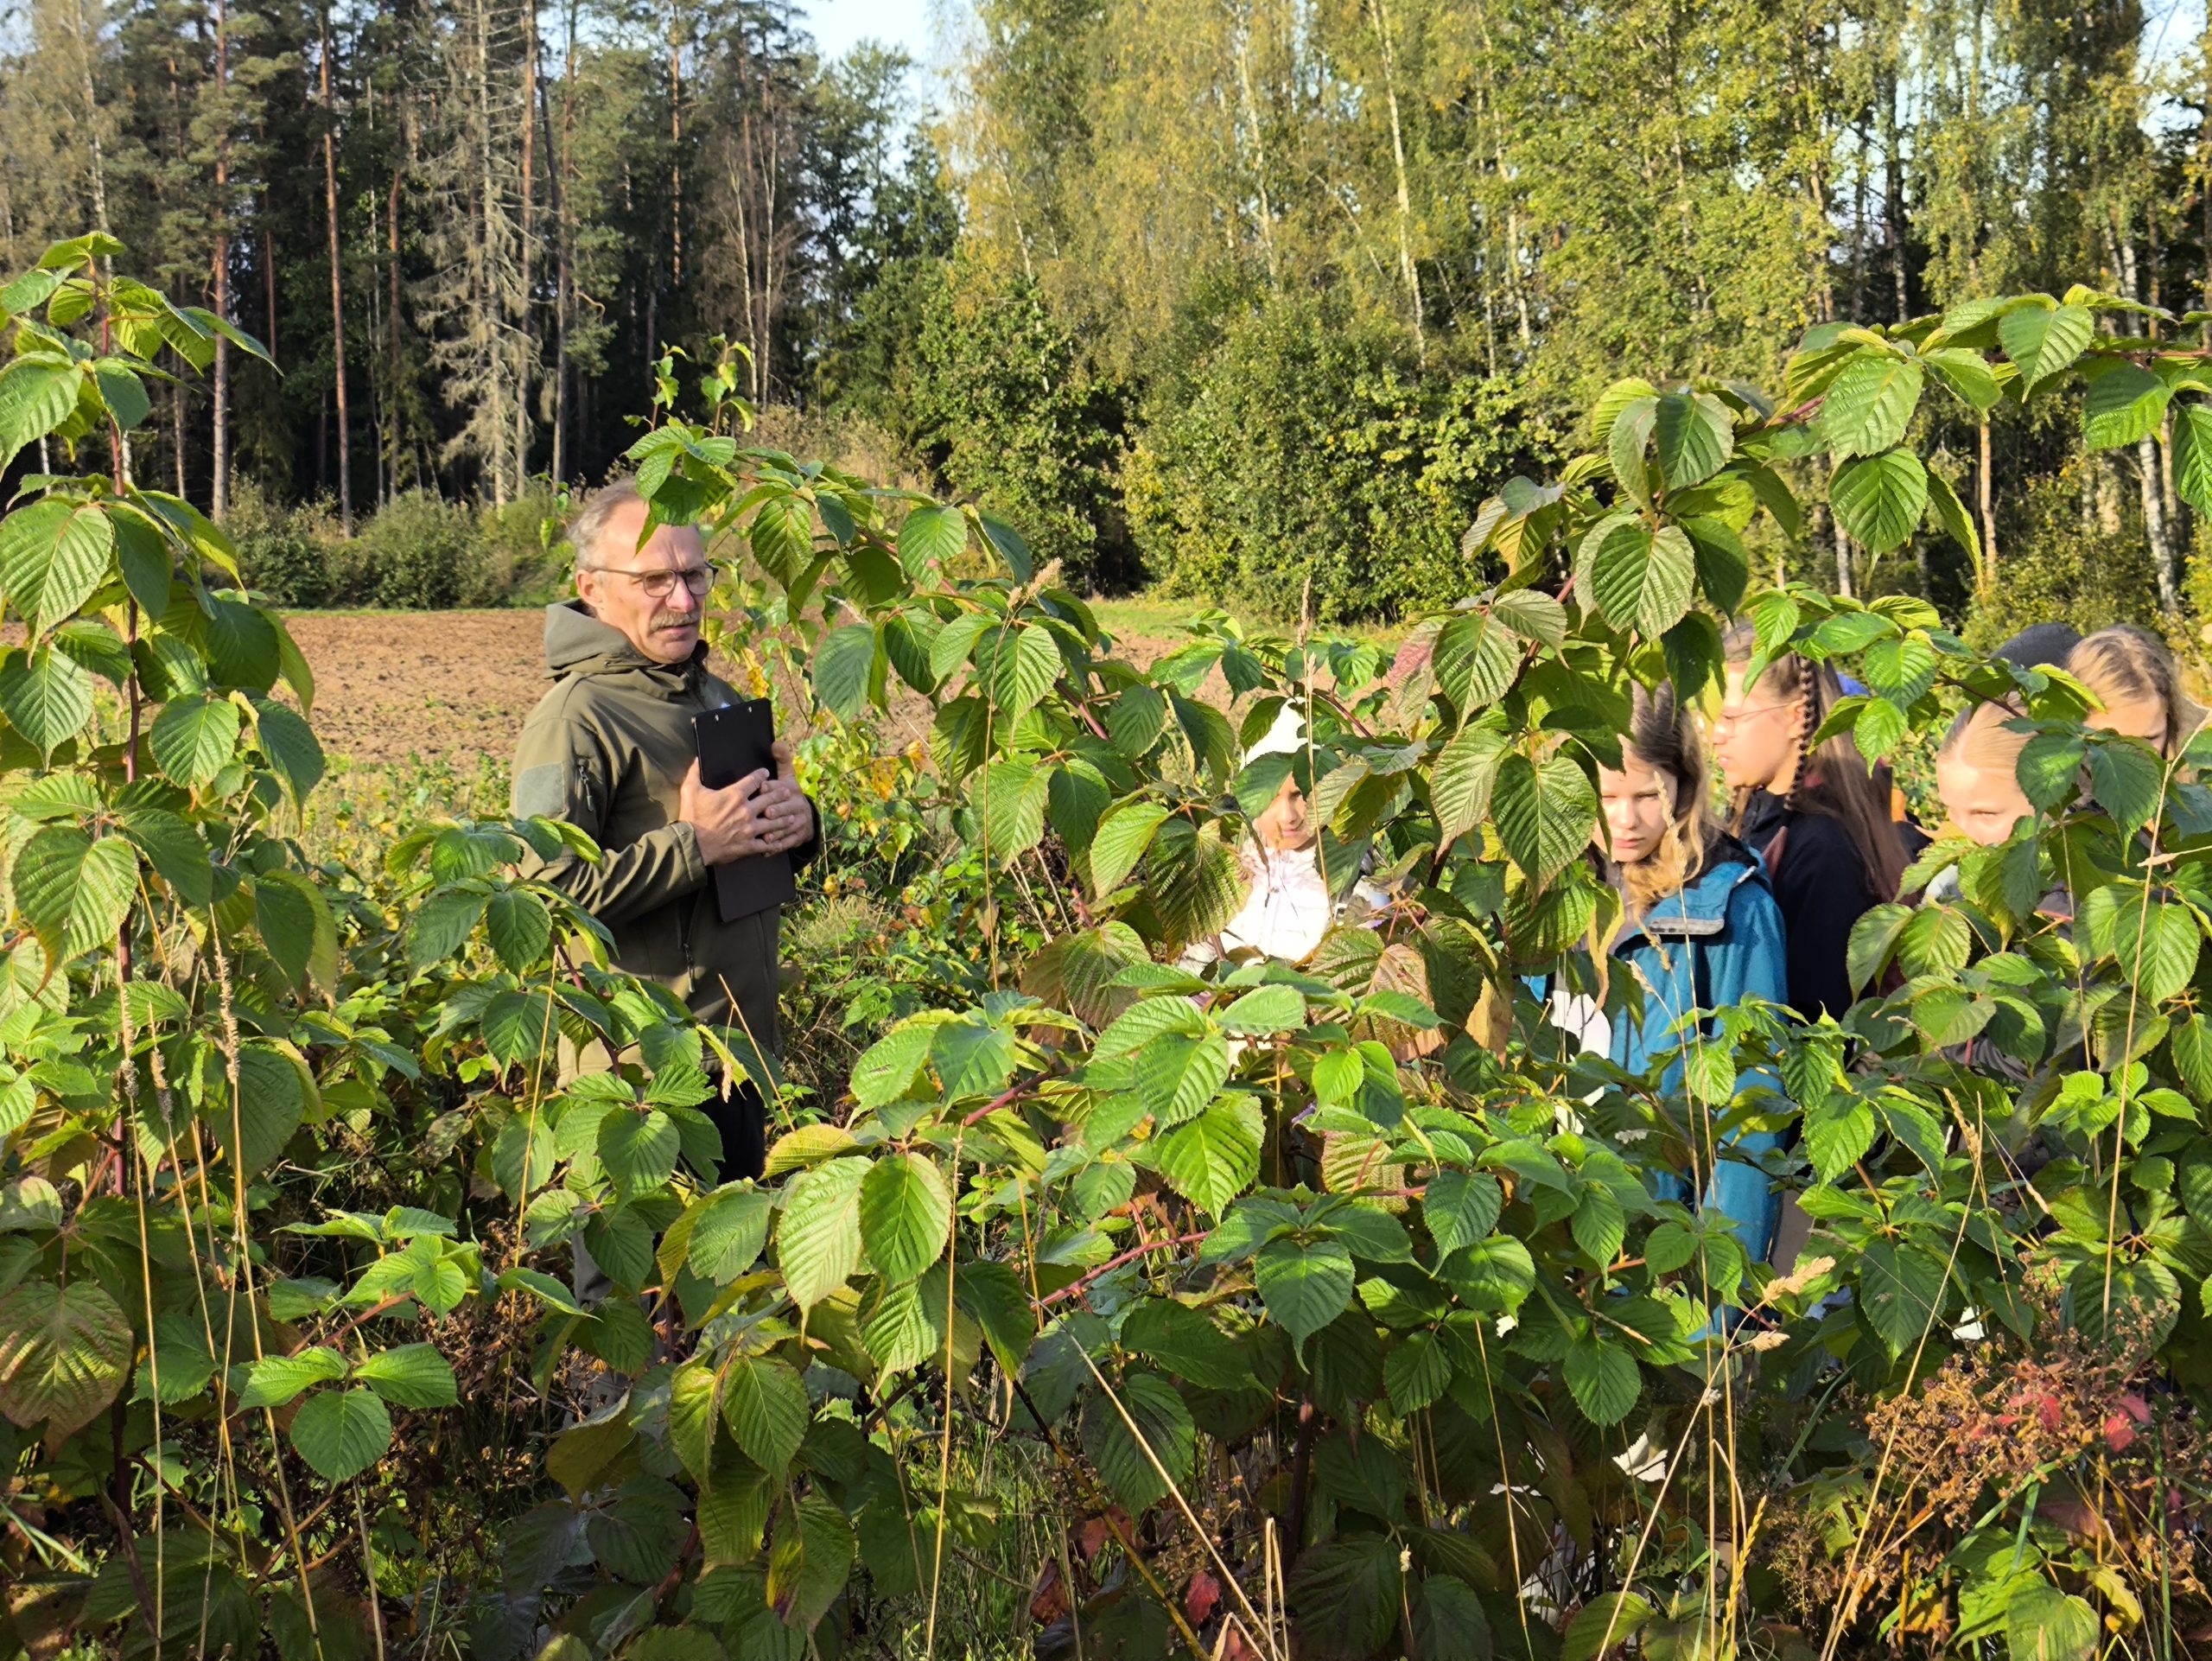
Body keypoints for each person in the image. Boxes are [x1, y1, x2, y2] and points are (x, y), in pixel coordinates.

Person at [512, 478, 817, 1293]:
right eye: (655, 580)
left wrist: (798, 825)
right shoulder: (575, 717)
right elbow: (543, 899)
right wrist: (694, 845)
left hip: (740, 1061)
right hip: (642, 1086)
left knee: (730, 1314)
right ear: (592, 588)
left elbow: (744, 861)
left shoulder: (713, 698)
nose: (683, 600)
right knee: (636, 1315)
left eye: (697, 575)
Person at [1568, 684, 1792, 1268]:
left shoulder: (1730, 908)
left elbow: (1754, 1110)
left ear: (1683, 783)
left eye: (1647, 795)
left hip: (1667, 1239)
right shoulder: (1553, 896)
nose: (1624, 819)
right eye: (1606, 794)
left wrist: (1722, 1287)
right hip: (1563, 1226)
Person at [1713, 625, 1908, 1021]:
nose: (1717, 734)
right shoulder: (1765, 813)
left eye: (1732, 717)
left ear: (1796, 717)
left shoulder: (1823, 845)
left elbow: (1816, 1017)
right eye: (1714, 717)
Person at [2066, 624, 2207, 760]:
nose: (2134, 758)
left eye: (2150, 738)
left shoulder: (2200, 757)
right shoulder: (2056, 776)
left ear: (2170, 718)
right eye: (2112, 740)